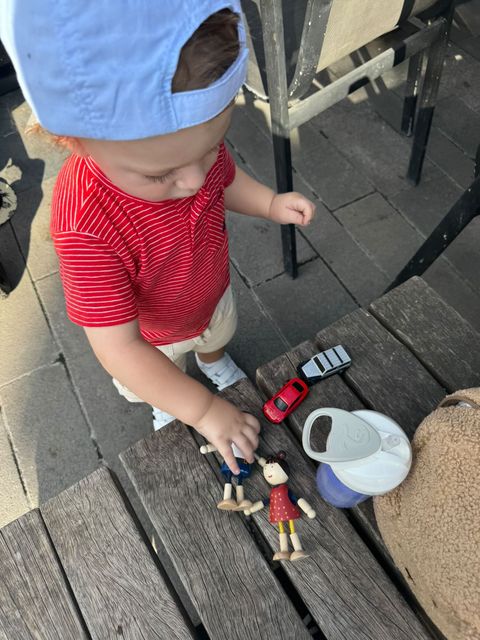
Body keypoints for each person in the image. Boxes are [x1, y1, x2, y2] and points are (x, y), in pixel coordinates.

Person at [0, 1, 315, 473]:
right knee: (164, 381)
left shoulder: (186, 148)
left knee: (216, 336)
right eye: (161, 174)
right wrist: (205, 410)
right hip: (151, 342)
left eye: (209, 149)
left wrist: (268, 203)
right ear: (73, 139)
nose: (192, 180)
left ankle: (212, 362)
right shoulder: (86, 223)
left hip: (209, 292)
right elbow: (119, 349)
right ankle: (169, 400)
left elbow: (225, 179)